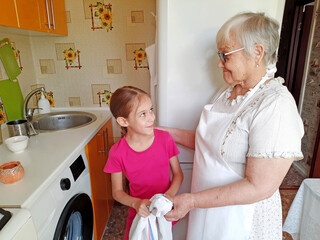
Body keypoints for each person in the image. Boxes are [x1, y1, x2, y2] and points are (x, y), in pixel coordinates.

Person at [162, 12, 304, 239]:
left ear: (257, 52)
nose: (219, 63)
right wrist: (161, 133)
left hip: (241, 221)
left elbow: (260, 187)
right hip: (206, 208)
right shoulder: (226, 92)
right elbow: (210, 144)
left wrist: (192, 200)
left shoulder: (275, 104)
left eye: (225, 55)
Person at [104, 86, 183, 240]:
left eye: (151, 110)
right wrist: (136, 203)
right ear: (123, 121)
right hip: (138, 213)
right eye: (143, 114)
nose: (151, 117)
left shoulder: (165, 139)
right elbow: (117, 192)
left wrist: (167, 198)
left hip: (164, 211)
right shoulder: (117, 152)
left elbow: (178, 174)